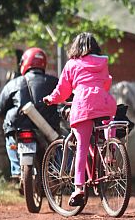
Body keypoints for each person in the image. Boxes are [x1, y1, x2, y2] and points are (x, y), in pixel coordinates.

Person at [43, 32, 117, 206]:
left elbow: (63, 90)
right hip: (104, 101)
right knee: (109, 121)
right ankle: (110, 150)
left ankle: (78, 189)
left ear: (76, 46)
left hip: (83, 104)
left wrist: (51, 99)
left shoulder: (72, 64)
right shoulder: (103, 62)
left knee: (82, 146)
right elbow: (106, 82)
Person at [0, 47, 60, 181]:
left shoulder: (13, 83)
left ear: (24, 63)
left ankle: (16, 169)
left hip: (17, 126)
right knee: (59, 144)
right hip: (47, 128)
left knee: (10, 140)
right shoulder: (54, 82)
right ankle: (60, 172)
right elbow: (67, 99)